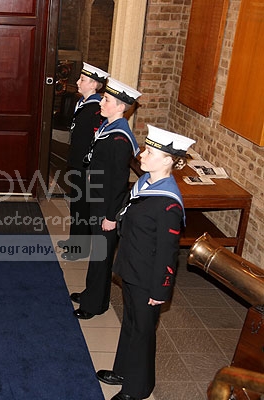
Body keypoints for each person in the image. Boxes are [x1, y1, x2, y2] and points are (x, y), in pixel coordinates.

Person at [96, 125, 195, 400]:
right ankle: (123, 371)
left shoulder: (168, 204)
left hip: (148, 277)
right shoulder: (146, 183)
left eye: (150, 152)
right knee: (130, 323)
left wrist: (160, 289)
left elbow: (168, 252)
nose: (142, 155)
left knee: (143, 331)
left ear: (168, 160)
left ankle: (137, 388)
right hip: (131, 266)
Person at [69, 77, 141, 320]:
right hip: (97, 198)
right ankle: (92, 293)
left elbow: (119, 182)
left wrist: (111, 216)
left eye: (107, 100)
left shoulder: (120, 138)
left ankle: (94, 305)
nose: (101, 102)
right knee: (97, 253)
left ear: (121, 107)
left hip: (107, 205)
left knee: (102, 256)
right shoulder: (108, 128)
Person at [57, 62, 108, 260]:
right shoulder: (83, 103)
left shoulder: (96, 108)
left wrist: (91, 168)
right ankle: (73, 241)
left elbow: (96, 140)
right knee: (76, 205)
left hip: (86, 166)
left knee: (83, 208)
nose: (78, 82)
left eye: (83, 79)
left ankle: (80, 249)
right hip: (77, 161)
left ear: (94, 84)